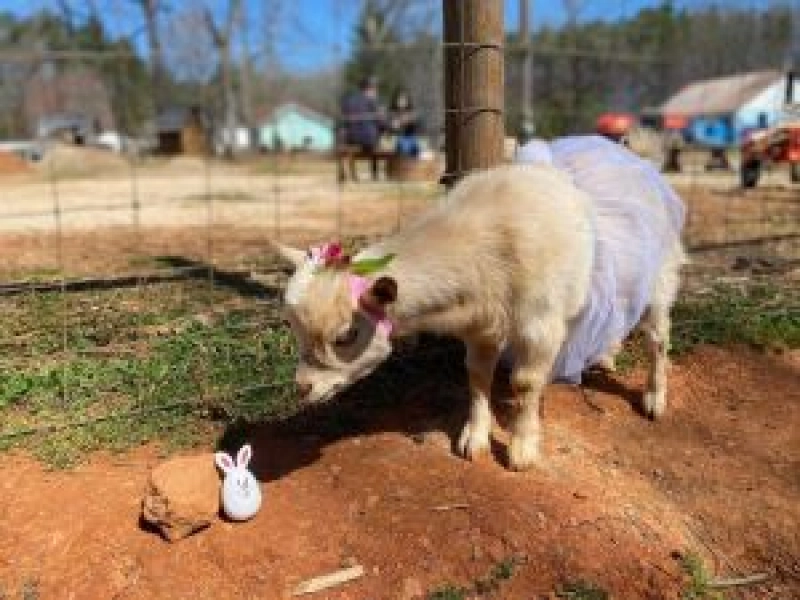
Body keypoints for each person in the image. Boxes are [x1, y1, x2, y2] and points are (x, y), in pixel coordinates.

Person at [339, 76, 384, 181]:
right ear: (369, 88)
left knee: (350, 146)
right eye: (375, 88)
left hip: (351, 137)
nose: (376, 91)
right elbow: (381, 121)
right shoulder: (373, 101)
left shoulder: (348, 100)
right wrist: (386, 128)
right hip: (368, 139)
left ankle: (353, 175)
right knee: (375, 143)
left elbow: (343, 117)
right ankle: (374, 175)